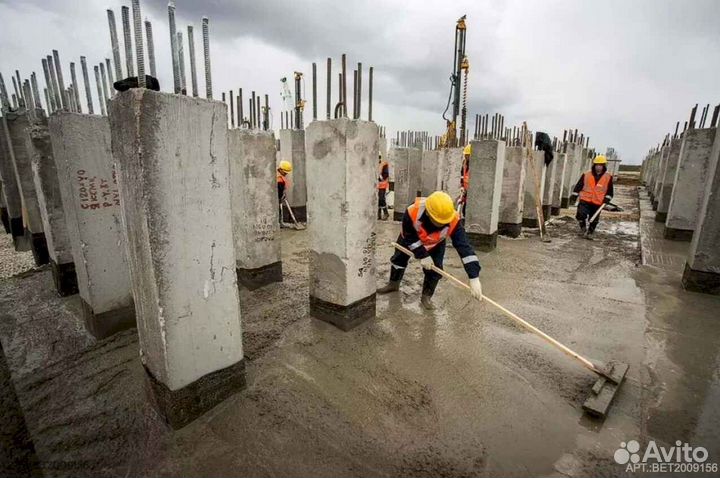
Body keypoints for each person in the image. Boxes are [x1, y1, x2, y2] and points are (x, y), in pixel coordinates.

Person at [377, 191, 483, 310]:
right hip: (411, 239)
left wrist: (474, 277)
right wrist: (422, 255)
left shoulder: (453, 219)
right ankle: (393, 284)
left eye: (444, 222)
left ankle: (426, 296)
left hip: (435, 243)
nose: (441, 224)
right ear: (428, 213)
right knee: (398, 259)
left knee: (435, 270)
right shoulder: (413, 211)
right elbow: (409, 236)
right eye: (438, 221)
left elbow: (464, 248)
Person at [570, 155, 614, 240]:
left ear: (604, 166)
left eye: (601, 165)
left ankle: (590, 232)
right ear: (594, 165)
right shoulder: (586, 175)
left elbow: (610, 191)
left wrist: (607, 199)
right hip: (585, 199)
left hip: (598, 201)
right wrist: (574, 196)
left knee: (594, 219)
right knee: (580, 214)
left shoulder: (608, 177)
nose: (599, 167)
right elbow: (579, 186)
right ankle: (582, 226)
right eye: (597, 165)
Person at [459, 144, 471, 215]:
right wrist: (462, 186)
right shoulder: (464, 163)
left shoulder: (475, 165)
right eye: (465, 155)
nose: (466, 156)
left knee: (466, 211)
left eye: (468, 155)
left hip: (470, 191)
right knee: (464, 211)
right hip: (465, 189)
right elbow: (462, 175)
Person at [377, 155, 390, 220]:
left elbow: (385, 174)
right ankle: (378, 214)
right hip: (376, 186)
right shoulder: (374, 164)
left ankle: (385, 213)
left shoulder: (384, 164)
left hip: (382, 185)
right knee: (377, 199)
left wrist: (379, 177)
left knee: (381, 199)